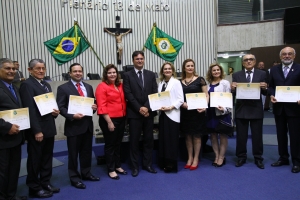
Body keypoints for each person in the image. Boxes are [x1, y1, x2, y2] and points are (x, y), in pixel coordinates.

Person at [19, 59, 60, 198]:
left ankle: (45, 182)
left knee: (47, 157)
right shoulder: (26, 85)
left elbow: (47, 107)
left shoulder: (46, 85)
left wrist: (54, 113)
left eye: (43, 68)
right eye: (37, 68)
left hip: (48, 127)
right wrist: (36, 130)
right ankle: (34, 187)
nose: (41, 71)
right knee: (35, 160)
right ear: (30, 70)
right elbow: (29, 110)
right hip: (37, 130)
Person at [56, 63, 99, 189]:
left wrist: (94, 107)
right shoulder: (63, 88)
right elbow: (61, 107)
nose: (78, 73)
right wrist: (71, 116)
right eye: (75, 71)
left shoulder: (89, 87)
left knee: (86, 152)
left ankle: (86, 173)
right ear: (70, 73)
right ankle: (74, 178)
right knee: (73, 154)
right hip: (73, 126)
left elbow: (93, 104)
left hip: (87, 126)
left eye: (80, 71)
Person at [123, 51, 158, 177]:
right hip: (134, 113)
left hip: (148, 113)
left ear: (144, 60)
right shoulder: (127, 75)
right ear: (133, 60)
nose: (139, 61)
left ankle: (147, 165)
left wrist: (146, 108)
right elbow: (128, 94)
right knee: (134, 141)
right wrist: (139, 108)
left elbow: (154, 92)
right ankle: (134, 167)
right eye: (137, 59)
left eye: (141, 58)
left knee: (149, 140)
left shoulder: (151, 74)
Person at [231, 54, 267, 169]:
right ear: (243, 63)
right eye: (246, 60)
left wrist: (265, 88)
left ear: (255, 62)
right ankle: (241, 157)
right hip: (242, 109)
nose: (248, 61)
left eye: (251, 59)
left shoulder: (262, 74)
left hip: (256, 109)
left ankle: (258, 158)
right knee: (241, 136)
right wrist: (232, 89)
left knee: (257, 136)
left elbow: (266, 93)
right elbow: (235, 93)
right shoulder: (236, 75)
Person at [268, 47, 300, 173]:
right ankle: (283, 158)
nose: (287, 56)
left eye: (289, 54)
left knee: (295, 136)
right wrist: (271, 95)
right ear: (281, 57)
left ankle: (297, 161)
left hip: (295, 109)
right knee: (281, 135)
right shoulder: (274, 70)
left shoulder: (299, 68)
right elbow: (271, 87)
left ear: (294, 56)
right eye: (284, 54)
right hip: (279, 108)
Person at [0, 58, 27, 200]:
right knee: (2, 172)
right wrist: (6, 127)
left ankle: (11, 195)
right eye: (7, 68)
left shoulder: (15, 87)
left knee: (14, 169)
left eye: (13, 69)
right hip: (3, 138)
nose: (12, 71)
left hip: (16, 138)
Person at [95, 64, 127, 180]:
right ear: (106, 74)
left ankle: (117, 165)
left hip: (121, 118)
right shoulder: (101, 87)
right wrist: (109, 122)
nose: (112, 74)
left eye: (114, 72)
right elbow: (101, 106)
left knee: (118, 144)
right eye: (109, 73)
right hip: (109, 119)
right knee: (110, 145)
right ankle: (111, 169)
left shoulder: (120, 85)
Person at [180, 59, 209, 170]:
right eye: (188, 66)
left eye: (192, 65)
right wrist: (183, 104)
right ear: (184, 68)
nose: (190, 67)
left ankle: (196, 158)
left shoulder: (200, 80)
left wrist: (204, 106)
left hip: (198, 112)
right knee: (187, 136)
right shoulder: (179, 81)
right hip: (185, 112)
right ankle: (189, 158)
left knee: (197, 136)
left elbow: (206, 95)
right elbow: (178, 97)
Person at [157, 62, 184, 173]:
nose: (167, 70)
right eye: (165, 69)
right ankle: (163, 163)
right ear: (162, 71)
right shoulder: (161, 83)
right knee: (163, 140)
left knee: (171, 141)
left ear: (172, 71)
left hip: (172, 115)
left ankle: (171, 166)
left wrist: (171, 107)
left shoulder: (176, 82)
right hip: (163, 115)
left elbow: (180, 99)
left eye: (169, 69)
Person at [206, 63, 232, 167]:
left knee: (222, 135)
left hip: (222, 112)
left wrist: (224, 109)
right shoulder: (208, 84)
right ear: (211, 72)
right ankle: (216, 156)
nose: (216, 72)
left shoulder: (225, 83)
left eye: (218, 70)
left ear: (221, 71)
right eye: (214, 70)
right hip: (211, 113)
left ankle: (222, 157)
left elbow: (229, 98)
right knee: (212, 135)